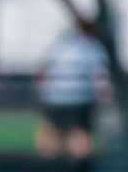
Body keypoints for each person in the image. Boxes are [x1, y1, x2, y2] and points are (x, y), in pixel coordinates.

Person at [35, 23, 109, 159]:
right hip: (75, 98)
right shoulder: (91, 46)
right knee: (71, 132)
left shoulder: (59, 45)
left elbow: (43, 69)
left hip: (60, 97)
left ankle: (54, 164)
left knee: (61, 131)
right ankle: (74, 165)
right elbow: (100, 74)